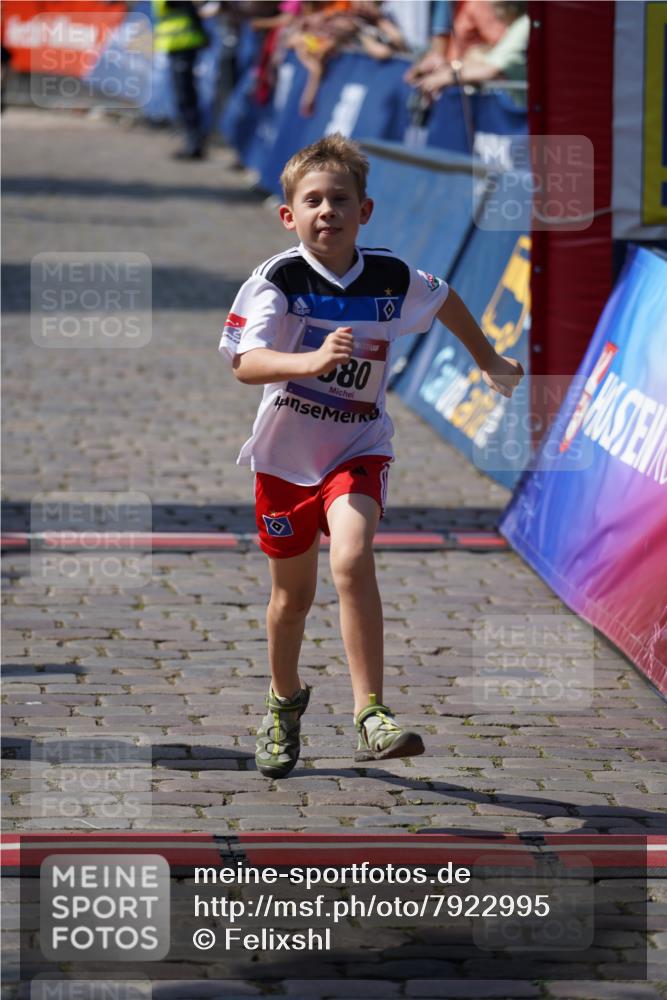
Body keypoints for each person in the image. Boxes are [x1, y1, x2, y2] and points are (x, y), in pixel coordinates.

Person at [218, 134, 523, 779]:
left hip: (359, 446)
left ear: (366, 210)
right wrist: (312, 360)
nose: (327, 210)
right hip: (285, 457)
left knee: (353, 559)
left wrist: (489, 358)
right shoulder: (277, 279)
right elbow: (247, 365)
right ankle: (283, 702)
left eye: (341, 199)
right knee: (290, 600)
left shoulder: (391, 275)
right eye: (313, 201)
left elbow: (443, 301)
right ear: (289, 215)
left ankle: (370, 715)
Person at [153, 0, 210, 159]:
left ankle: (194, 143)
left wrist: (201, 32)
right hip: (176, 45)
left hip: (185, 44)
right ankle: (192, 141)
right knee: (183, 97)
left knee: (185, 97)